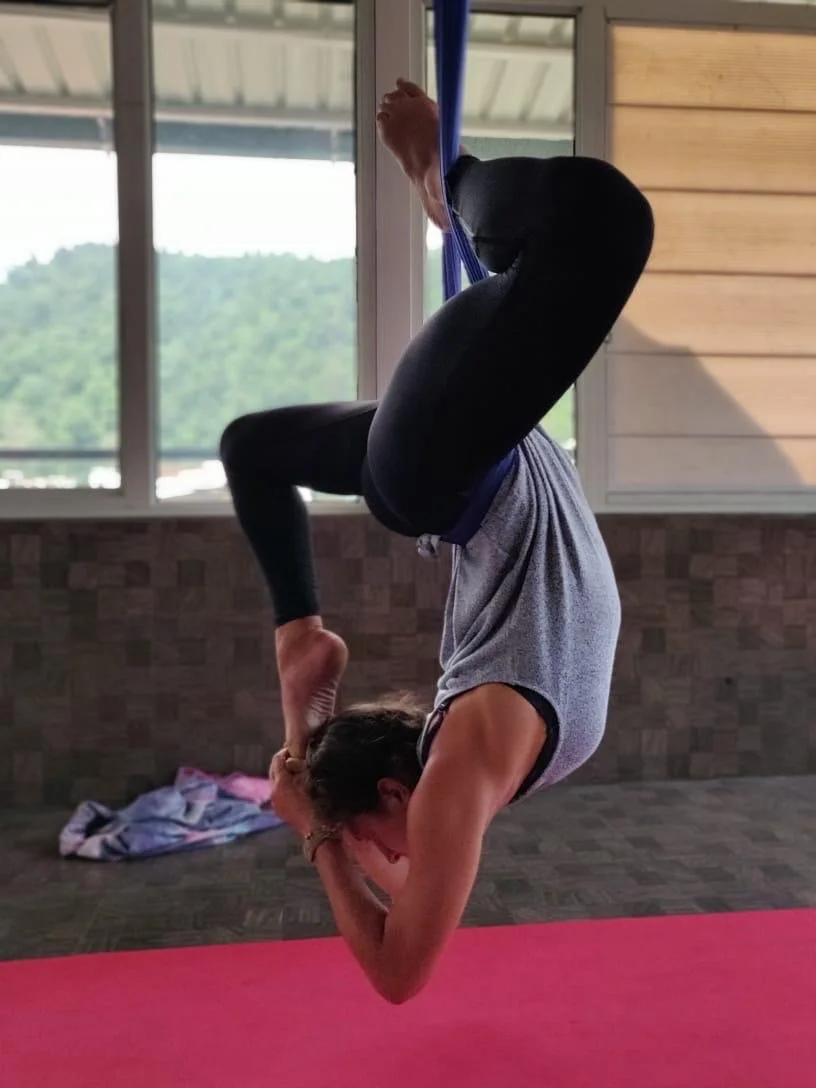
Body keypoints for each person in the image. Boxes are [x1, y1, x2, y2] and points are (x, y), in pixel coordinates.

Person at [220, 79, 654, 1004]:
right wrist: (328, 818)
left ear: (393, 795)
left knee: (603, 221)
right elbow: (411, 903)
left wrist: (316, 832)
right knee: (251, 448)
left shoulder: (464, 763)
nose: (402, 862)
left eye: (381, 840)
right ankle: (300, 635)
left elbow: (399, 964)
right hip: (468, 445)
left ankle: (442, 181)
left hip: (447, 469)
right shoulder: (476, 766)